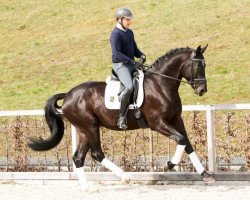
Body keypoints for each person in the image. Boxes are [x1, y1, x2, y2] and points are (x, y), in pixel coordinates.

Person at [110, 8, 146, 130]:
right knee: (129, 87)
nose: (129, 22)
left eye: (130, 19)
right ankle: (121, 117)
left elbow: (134, 49)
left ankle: (138, 109)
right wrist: (132, 62)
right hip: (120, 65)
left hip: (130, 64)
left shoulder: (129, 32)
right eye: (127, 19)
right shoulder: (115, 34)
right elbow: (117, 54)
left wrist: (141, 54)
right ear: (119, 20)